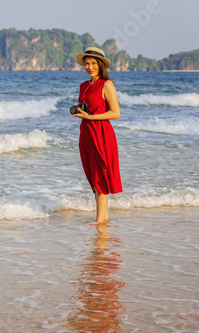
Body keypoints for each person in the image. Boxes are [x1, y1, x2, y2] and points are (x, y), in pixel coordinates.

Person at [72, 47, 122, 223]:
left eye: (93, 63)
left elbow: (116, 113)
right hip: (86, 134)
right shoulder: (84, 86)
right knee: (94, 181)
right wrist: (80, 112)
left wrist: (91, 116)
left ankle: (100, 223)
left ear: (101, 65)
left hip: (102, 134)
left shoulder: (106, 84)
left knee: (101, 180)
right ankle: (103, 220)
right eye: (87, 63)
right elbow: (88, 109)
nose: (89, 67)